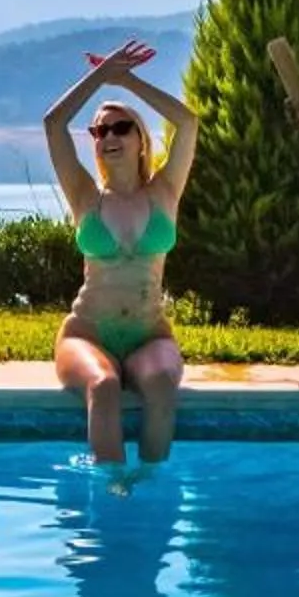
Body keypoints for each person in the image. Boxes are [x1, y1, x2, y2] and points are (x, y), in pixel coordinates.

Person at [43, 37, 199, 464]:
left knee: (163, 385)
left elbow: (187, 123)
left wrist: (125, 80)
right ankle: (112, 494)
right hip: (88, 332)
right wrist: (99, 76)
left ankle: (150, 490)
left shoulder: (165, 192)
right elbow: (53, 125)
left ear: (140, 139)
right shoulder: (85, 197)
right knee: (104, 386)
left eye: (120, 127)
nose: (108, 135)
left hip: (149, 333)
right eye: (99, 130)